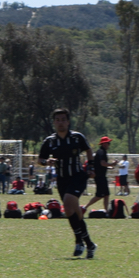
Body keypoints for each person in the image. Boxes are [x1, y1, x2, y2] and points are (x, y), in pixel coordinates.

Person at [39, 108, 98, 258]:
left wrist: (91, 167)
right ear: (54, 122)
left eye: (63, 119)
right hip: (62, 179)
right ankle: (89, 244)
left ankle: (79, 241)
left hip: (78, 176)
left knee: (68, 200)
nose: (60, 123)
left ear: (68, 121)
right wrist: (47, 162)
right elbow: (40, 159)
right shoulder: (50, 141)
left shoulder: (77, 137)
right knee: (72, 211)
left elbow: (89, 150)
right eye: (57, 120)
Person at [82, 136, 114, 215]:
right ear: (103, 144)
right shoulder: (101, 152)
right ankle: (85, 207)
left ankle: (106, 212)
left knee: (106, 194)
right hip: (99, 177)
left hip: (102, 176)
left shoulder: (102, 152)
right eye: (108, 143)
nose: (109, 145)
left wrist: (109, 167)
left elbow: (100, 165)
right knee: (99, 195)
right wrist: (112, 164)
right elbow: (102, 163)